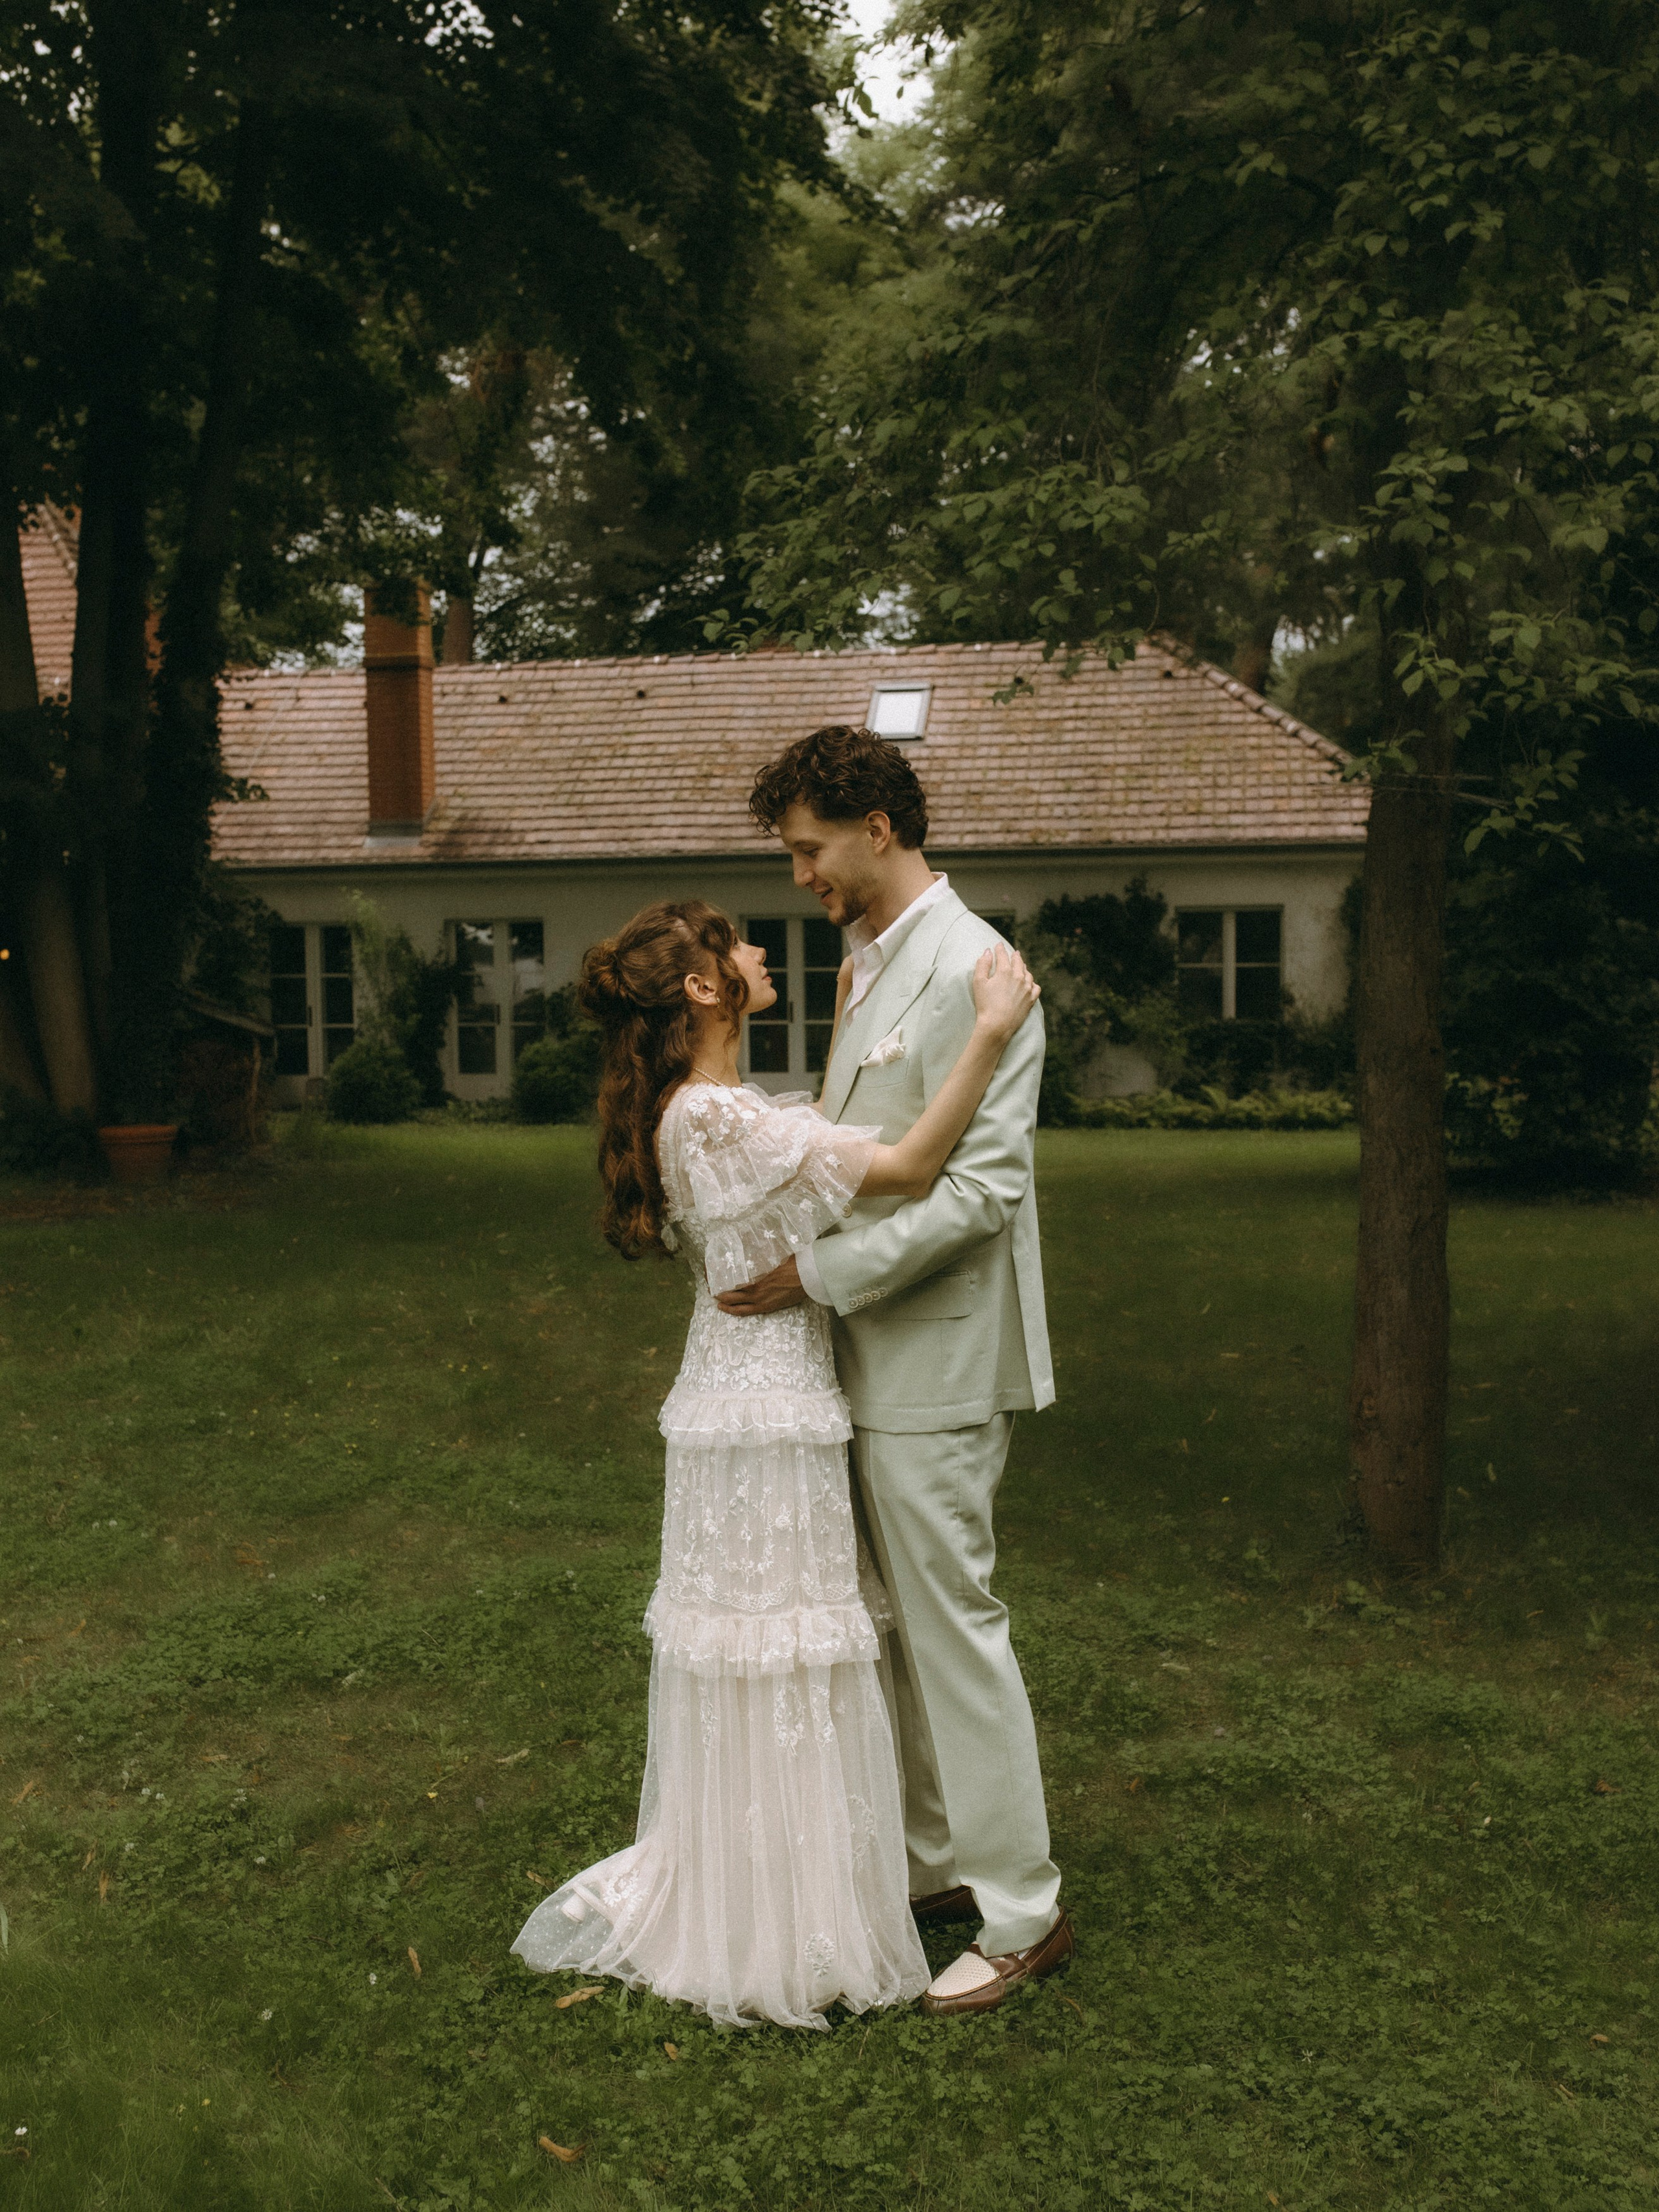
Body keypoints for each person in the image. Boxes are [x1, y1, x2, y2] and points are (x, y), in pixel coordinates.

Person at [510, 894, 1041, 2029]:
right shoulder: (714, 1121)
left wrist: (855, 1027)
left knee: (771, 1642)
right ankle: (793, 1905)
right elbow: (902, 1164)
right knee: (787, 1640)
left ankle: (801, 1876)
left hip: (748, 1398)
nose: (757, 951)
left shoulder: (705, 1111)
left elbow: (820, 1160)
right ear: (703, 987)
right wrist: (989, 1031)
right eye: (737, 944)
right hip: (771, 1406)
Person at [719, 725, 1072, 2018]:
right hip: (867, 1355)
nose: (799, 876)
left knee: (951, 1628)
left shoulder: (978, 968)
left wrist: (816, 1280)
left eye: (808, 849)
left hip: (942, 1356)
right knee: (897, 1630)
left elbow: (980, 1191)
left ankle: (1024, 1908)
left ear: (875, 825)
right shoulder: (869, 962)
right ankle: (938, 1867)